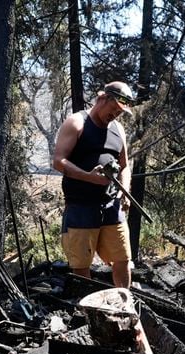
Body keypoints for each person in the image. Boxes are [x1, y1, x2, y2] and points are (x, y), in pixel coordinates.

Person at [52, 81, 135, 288]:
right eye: (114, 109)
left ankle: (125, 305)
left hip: (110, 206)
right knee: (81, 265)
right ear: (103, 98)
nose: (115, 115)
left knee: (123, 259)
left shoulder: (118, 130)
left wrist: (125, 191)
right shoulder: (77, 123)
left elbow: (124, 166)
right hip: (80, 206)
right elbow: (58, 161)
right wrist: (89, 177)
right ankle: (87, 311)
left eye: (120, 112)